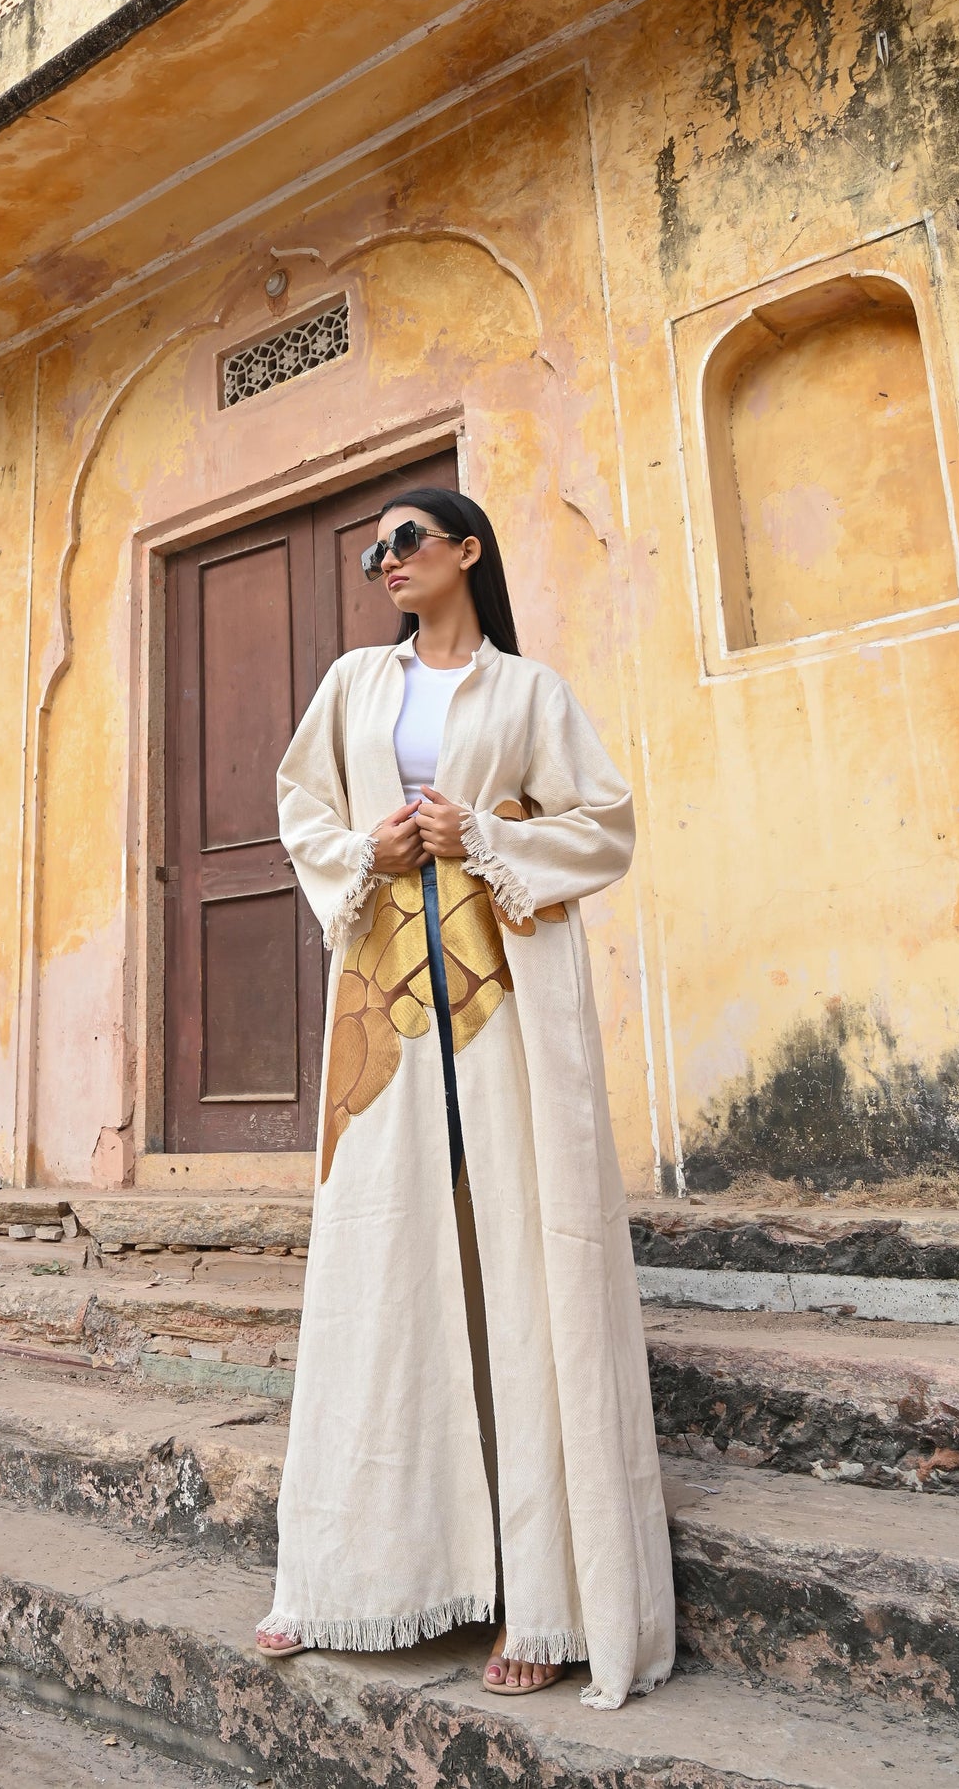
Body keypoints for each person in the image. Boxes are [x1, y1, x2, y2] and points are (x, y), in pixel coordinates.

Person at [254, 487, 674, 1708]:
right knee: (376, 1264)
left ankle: (542, 1598)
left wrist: (480, 834)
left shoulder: (529, 695)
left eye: (405, 543)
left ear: (464, 555)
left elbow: (603, 828)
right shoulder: (352, 685)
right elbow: (300, 807)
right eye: (374, 549)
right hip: (383, 1009)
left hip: (506, 1021)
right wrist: (363, 854)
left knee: (522, 1267)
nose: (383, 561)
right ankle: (339, 1573)